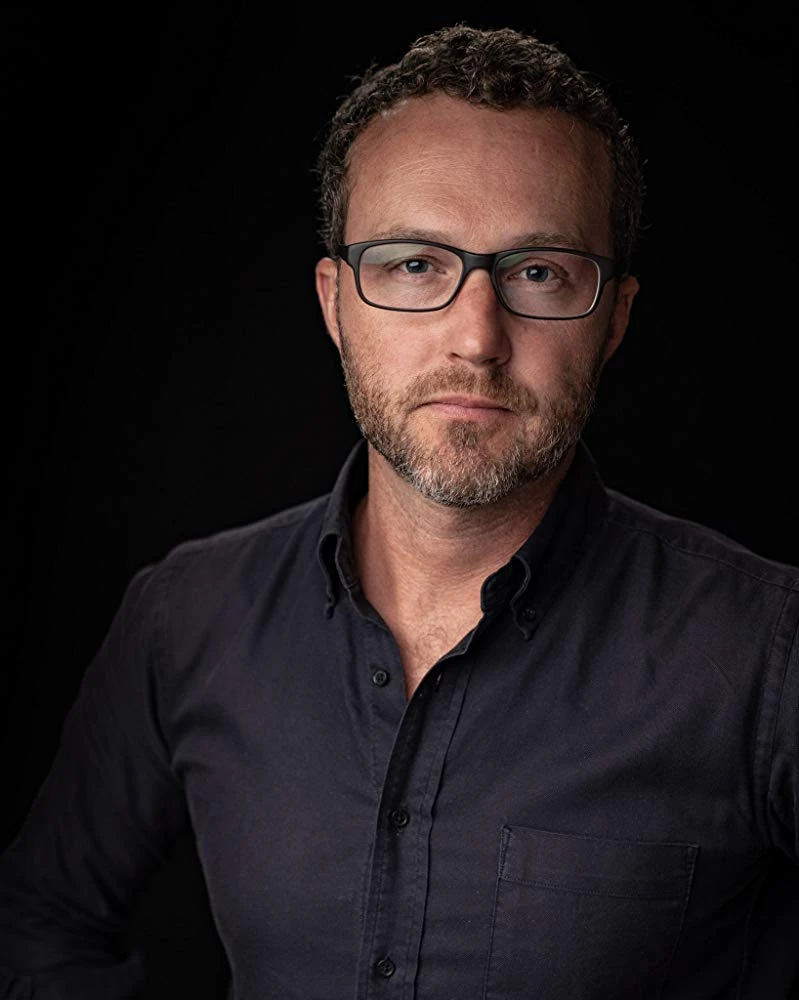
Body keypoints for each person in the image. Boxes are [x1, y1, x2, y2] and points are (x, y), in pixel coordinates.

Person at [1, 21, 797, 1000]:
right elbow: (39, 923)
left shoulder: (766, 655)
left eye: (539, 271)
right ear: (334, 302)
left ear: (615, 317)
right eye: (414, 264)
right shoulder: (186, 615)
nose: (476, 336)